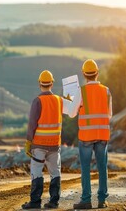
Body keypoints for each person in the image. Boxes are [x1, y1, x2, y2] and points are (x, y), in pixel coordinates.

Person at [22, 70, 80, 209]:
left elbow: (32, 124)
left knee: (36, 171)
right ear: (52, 83)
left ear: (39, 84)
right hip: (54, 145)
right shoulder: (60, 100)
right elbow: (72, 110)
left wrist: (29, 141)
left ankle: (35, 202)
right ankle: (54, 202)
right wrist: (73, 95)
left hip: (39, 145)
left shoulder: (37, 101)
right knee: (55, 172)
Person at [72, 59, 112, 209]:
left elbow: (72, 113)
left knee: (85, 168)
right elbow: (109, 115)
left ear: (84, 74)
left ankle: (86, 200)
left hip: (86, 137)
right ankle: (102, 200)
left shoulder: (80, 91)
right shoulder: (106, 90)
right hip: (102, 135)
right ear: (97, 73)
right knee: (102, 167)